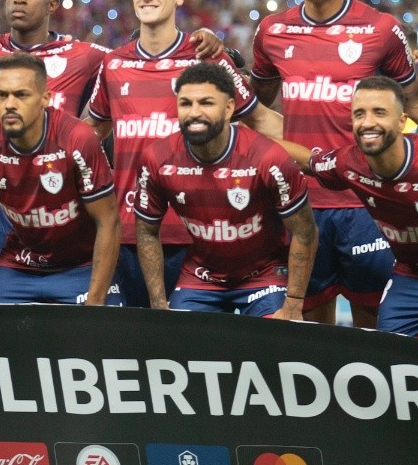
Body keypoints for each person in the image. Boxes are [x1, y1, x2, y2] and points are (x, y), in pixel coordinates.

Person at [0, 0, 224, 296]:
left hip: (62, 195)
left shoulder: (88, 56)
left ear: (52, 5)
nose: (19, 0)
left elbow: (138, 59)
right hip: (0, 198)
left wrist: (213, 46)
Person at [250, 0, 418, 328]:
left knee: (373, 323)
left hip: (365, 202)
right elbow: (256, 109)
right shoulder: (272, 31)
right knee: (313, 323)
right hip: (299, 201)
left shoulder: (381, 30)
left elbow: (417, 103)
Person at [88, 0, 283, 307]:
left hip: (199, 231)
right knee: (132, 344)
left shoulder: (207, 57)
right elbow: (89, 133)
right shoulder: (113, 64)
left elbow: (261, 120)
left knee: (193, 348)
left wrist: (327, 148)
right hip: (128, 230)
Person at [305, 76, 418, 350]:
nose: (368, 122)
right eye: (360, 114)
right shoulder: (349, 162)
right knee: (388, 360)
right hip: (413, 276)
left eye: (379, 112)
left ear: (402, 121)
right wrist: (250, 139)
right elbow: (309, 162)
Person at [135, 62, 317, 317]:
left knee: (277, 342)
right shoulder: (157, 159)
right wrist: (158, 304)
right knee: (177, 343)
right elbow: (146, 231)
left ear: (230, 108)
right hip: (200, 278)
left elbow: (305, 230)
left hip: (263, 277)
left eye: (206, 103)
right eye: (186, 104)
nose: (194, 112)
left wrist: (294, 304)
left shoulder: (268, 157)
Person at [0, 53, 121, 305]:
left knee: (97, 339)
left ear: (45, 99)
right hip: (20, 263)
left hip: (81, 265)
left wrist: (95, 301)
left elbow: (108, 219)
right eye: (2, 95)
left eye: (21, 95)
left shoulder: (77, 138)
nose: (9, 104)